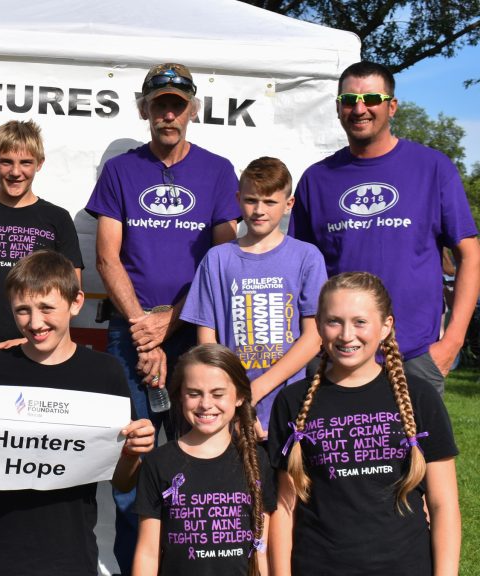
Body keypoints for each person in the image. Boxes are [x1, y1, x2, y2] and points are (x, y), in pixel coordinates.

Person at [84, 62, 239, 573]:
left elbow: (221, 259)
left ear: (192, 110)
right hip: (131, 333)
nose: (168, 114)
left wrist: (168, 323)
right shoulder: (121, 171)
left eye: (177, 105)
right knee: (135, 452)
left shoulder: (218, 171)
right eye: (159, 105)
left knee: (203, 448)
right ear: (144, 110)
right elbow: (107, 257)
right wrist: (143, 332)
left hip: (195, 332)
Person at [0, 251, 156, 576]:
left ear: (76, 302)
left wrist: (133, 453)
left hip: (72, 558)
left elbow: (122, 479)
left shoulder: (105, 373)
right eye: (23, 310)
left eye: (47, 308)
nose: (35, 323)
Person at [288, 60, 480, 395]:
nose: (359, 109)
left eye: (372, 99)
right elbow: (298, 272)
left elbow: (470, 255)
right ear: (338, 108)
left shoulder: (433, 168)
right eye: (349, 100)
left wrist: (452, 342)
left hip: (415, 357)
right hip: (335, 357)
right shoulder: (316, 179)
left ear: (392, 107)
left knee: (419, 435)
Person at [268, 272, 460, 575]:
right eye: (334, 321)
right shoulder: (292, 401)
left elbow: (443, 504)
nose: (346, 335)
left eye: (360, 322)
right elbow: (285, 507)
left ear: (385, 326)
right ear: (318, 325)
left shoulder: (420, 396)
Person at [181, 157, 326, 435]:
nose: (259, 210)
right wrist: (235, 400)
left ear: (289, 204)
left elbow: (313, 337)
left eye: (270, 202)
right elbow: (207, 343)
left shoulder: (307, 257)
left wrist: (255, 391)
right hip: (229, 406)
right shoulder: (217, 259)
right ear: (238, 199)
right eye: (251, 200)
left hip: (290, 405)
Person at [0, 120, 83, 384]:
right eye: (6, 162)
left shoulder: (57, 218)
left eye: (25, 162)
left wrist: (29, 340)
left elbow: (70, 291)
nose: (15, 172)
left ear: (39, 163)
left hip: (41, 353)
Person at [132, 344, 275, 575]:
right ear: (180, 396)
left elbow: (262, 550)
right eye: (194, 393)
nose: (206, 404)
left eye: (218, 394)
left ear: (239, 396)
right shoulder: (158, 462)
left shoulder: (257, 459)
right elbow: (148, 552)